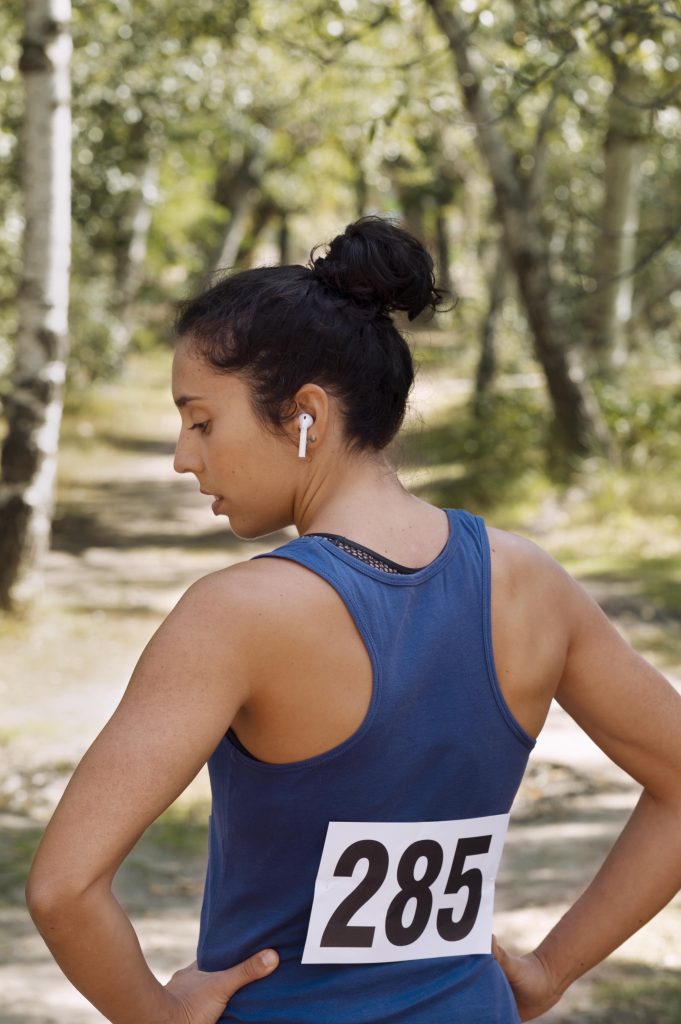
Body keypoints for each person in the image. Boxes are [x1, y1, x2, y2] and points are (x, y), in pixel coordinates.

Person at [26, 217, 681, 1024]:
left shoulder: (237, 615)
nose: (182, 456)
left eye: (201, 421)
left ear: (305, 413)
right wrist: (548, 972)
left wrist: (157, 1017)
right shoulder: (530, 584)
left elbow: (62, 888)